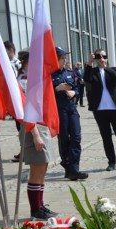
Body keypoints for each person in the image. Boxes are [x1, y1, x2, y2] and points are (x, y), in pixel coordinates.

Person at [16, 49, 58, 219]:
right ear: (27, 63)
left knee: (43, 167)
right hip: (32, 129)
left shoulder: (33, 80)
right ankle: (35, 208)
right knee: (37, 169)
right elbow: (25, 110)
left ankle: (40, 205)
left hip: (41, 127)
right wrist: (35, 133)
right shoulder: (24, 81)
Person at [52, 46, 88, 181]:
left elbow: (77, 87)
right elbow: (44, 94)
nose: (64, 60)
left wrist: (75, 92)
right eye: (61, 58)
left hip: (71, 108)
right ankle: (69, 167)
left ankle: (73, 168)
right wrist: (56, 88)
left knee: (76, 137)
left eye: (64, 57)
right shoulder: (49, 74)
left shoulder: (70, 72)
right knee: (64, 138)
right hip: (58, 109)